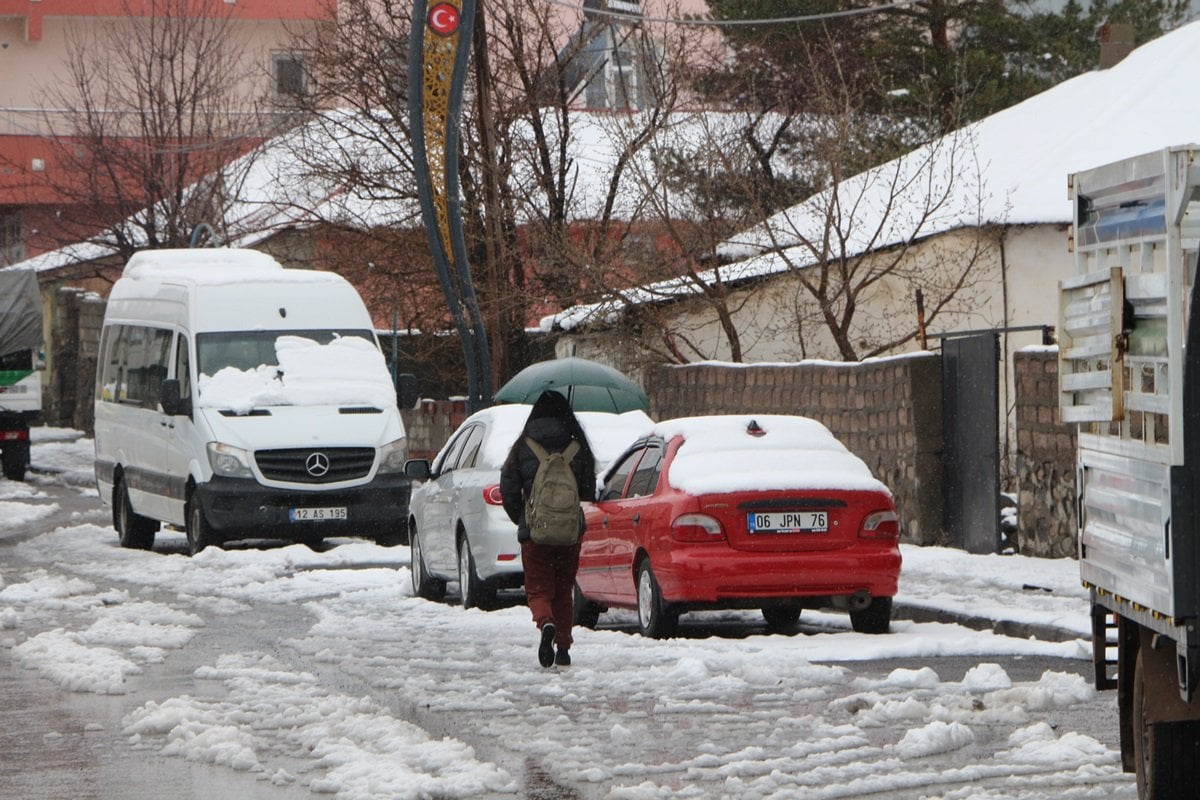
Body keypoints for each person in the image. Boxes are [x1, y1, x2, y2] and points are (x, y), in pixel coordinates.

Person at [500, 390, 596, 668]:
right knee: (563, 589)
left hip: (535, 532)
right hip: (569, 533)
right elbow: (588, 489)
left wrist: (523, 518)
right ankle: (563, 649)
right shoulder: (577, 446)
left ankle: (546, 624)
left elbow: (507, 489)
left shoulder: (523, 445)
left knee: (539, 589)